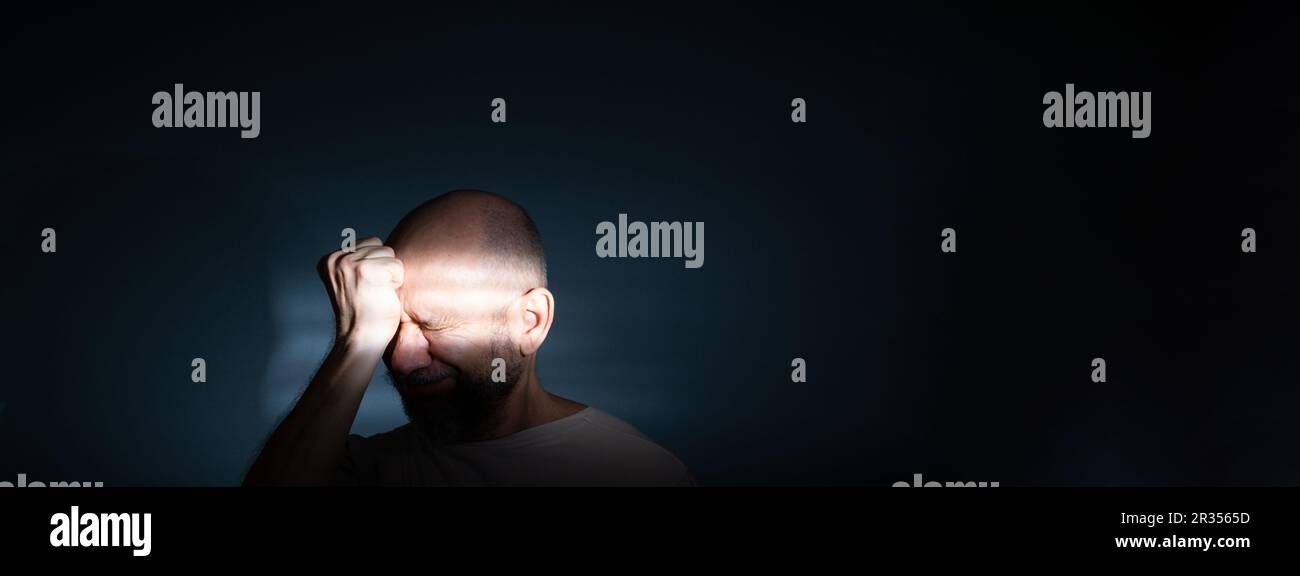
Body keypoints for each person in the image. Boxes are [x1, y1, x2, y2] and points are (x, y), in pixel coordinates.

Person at [245, 190, 693, 486]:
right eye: (390, 326)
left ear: (530, 321)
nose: (401, 358)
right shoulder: (360, 470)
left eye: (435, 325)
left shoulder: (634, 473)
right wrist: (356, 342)